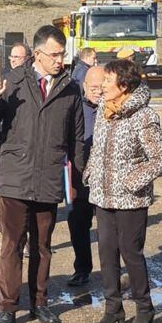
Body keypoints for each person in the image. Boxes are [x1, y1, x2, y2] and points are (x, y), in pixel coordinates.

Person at [0, 24, 85, 323]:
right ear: (37, 54)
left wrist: (77, 182)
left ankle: (40, 303)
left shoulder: (69, 87)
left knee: (43, 246)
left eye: (63, 53)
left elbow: (77, 138)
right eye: (54, 54)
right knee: (12, 245)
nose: (60, 60)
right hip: (15, 177)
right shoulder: (13, 82)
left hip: (48, 178)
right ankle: (8, 307)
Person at [84, 59, 162, 323]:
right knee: (107, 253)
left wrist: (133, 181)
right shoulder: (102, 110)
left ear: (124, 85)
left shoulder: (143, 115)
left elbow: (160, 157)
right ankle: (113, 310)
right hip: (102, 195)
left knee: (131, 254)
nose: (102, 87)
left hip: (131, 199)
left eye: (108, 81)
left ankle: (145, 309)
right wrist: (90, 171)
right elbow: (98, 149)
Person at [66, 62, 104, 287]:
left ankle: (113, 270)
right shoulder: (75, 108)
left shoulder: (114, 109)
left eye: (102, 86)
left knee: (110, 232)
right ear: (84, 85)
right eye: (93, 86)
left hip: (107, 181)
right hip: (80, 179)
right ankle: (82, 269)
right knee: (78, 227)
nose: (98, 91)